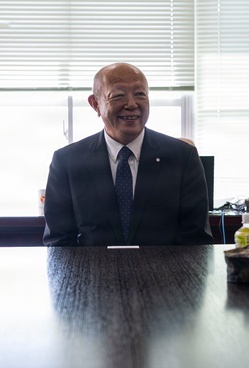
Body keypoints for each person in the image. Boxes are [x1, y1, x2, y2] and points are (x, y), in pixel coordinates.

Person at [42, 63, 213, 246]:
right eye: (118, 96)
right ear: (95, 104)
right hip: (92, 273)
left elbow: (196, 240)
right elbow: (58, 241)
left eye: (140, 94)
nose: (131, 104)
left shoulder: (183, 157)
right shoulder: (67, 161)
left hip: (164, 273)